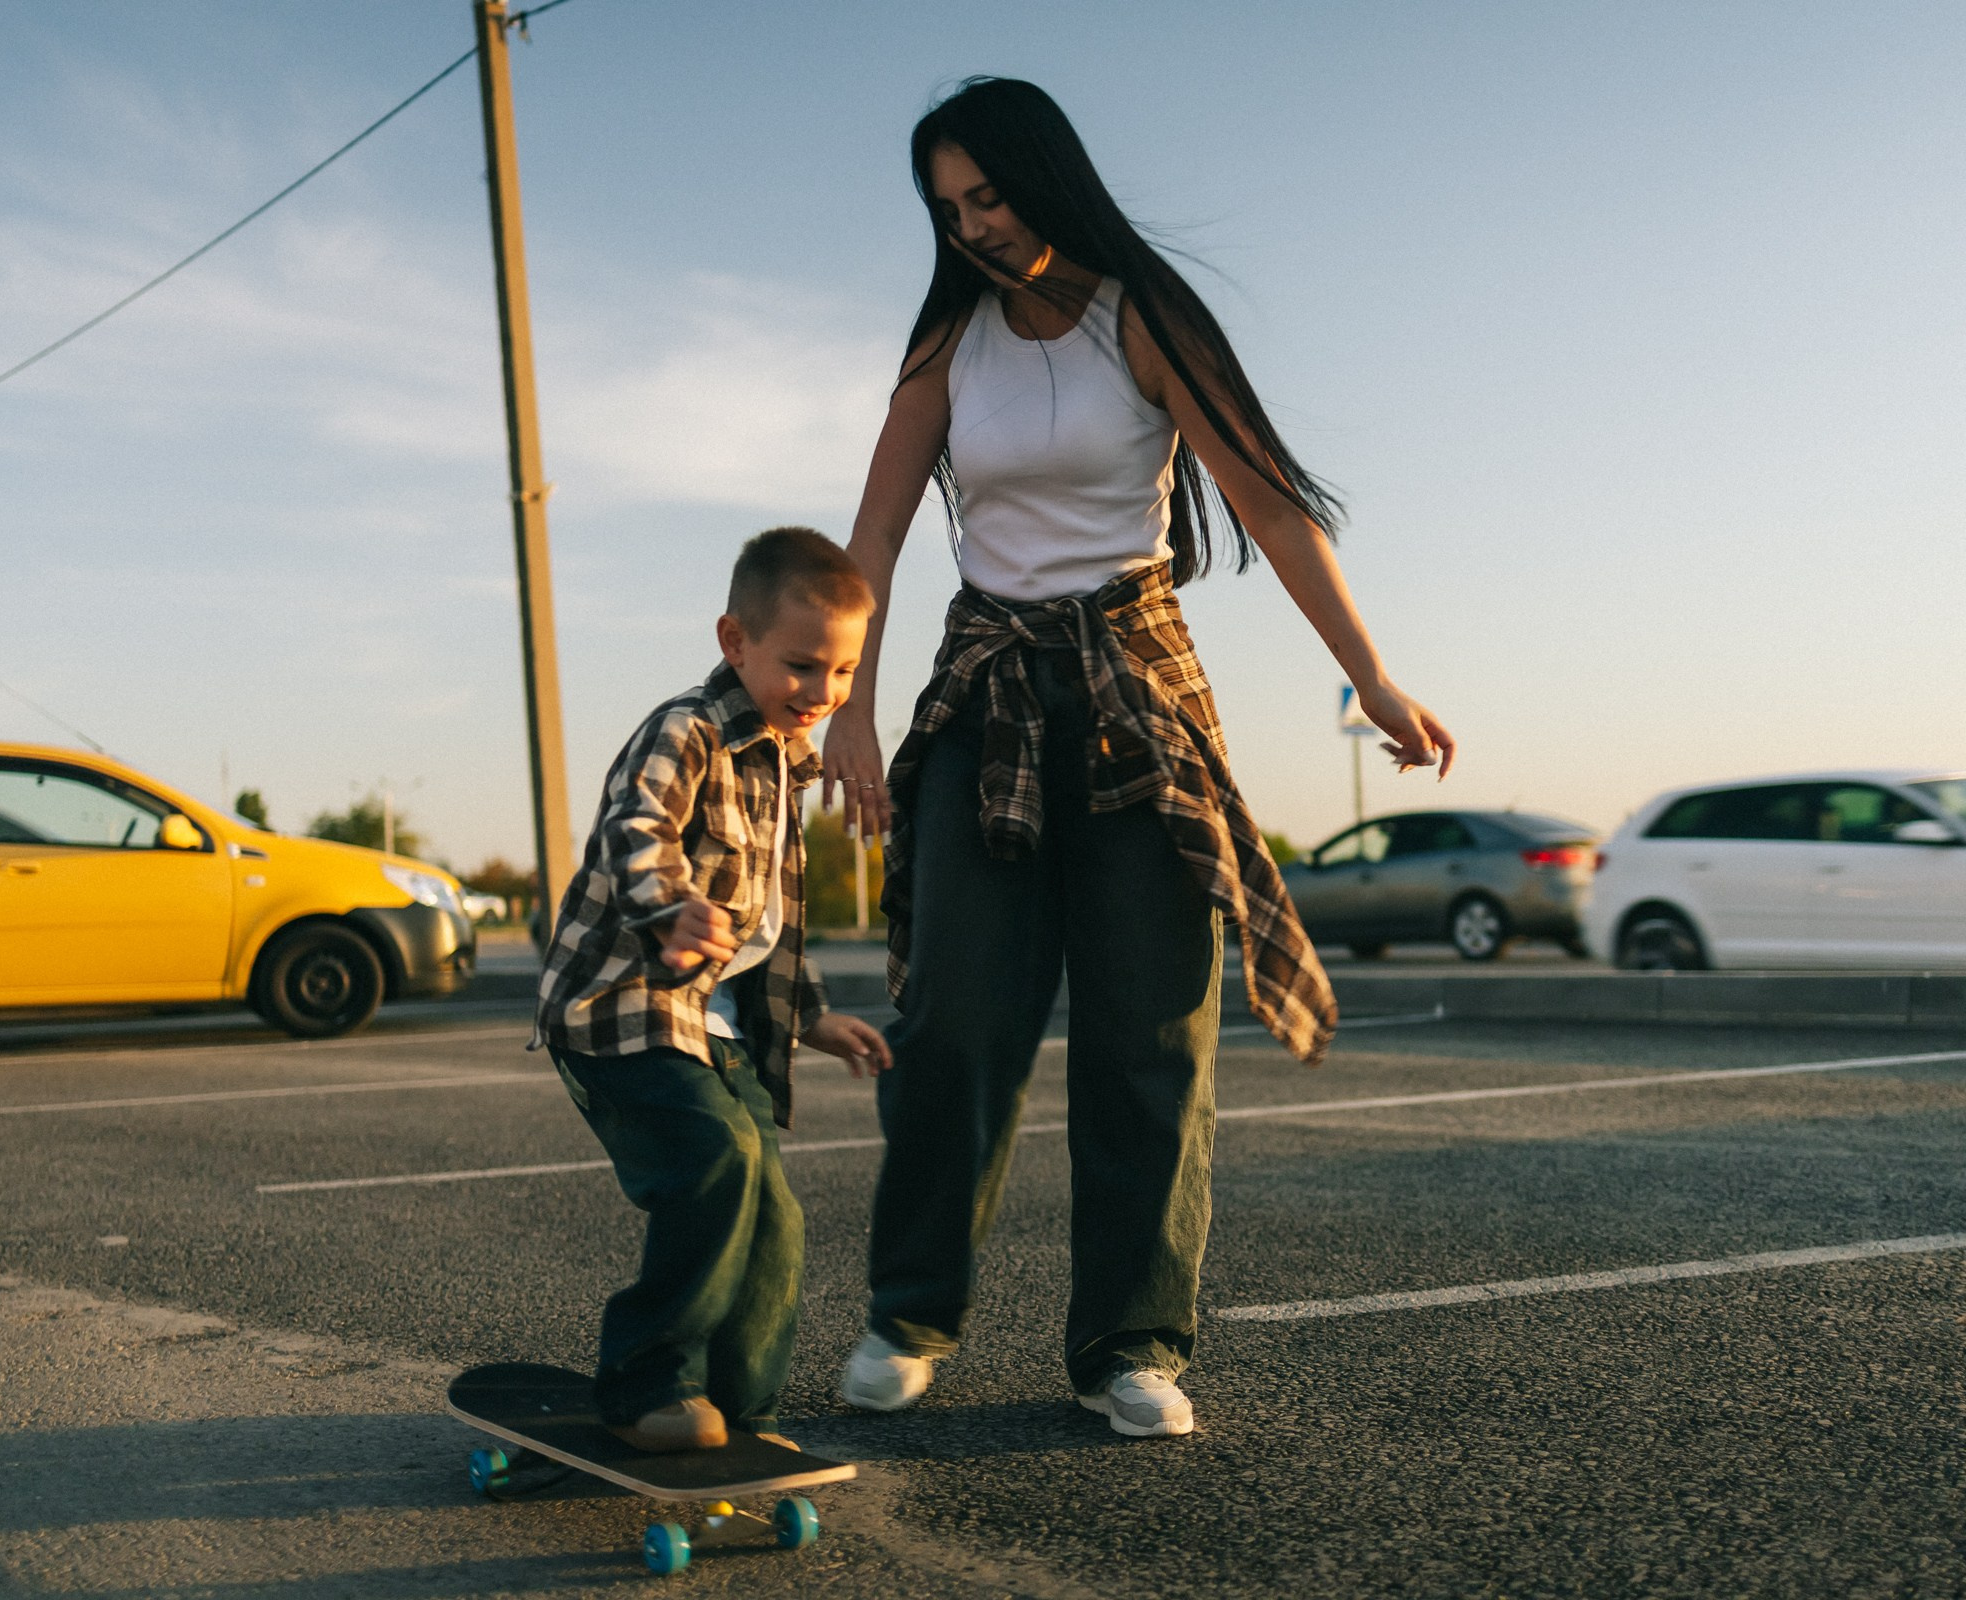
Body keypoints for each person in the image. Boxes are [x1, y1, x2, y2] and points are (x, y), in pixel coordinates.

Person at [821, 77, 1456, 1438]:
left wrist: (1373, 676)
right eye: (949, 208)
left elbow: (1271, 510)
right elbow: (868, 544)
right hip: (986, 693)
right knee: (955, 1024)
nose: (974, 226)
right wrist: (851, 710)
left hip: (1135, 693)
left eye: (989, 194)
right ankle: (910, 1313)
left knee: (1149, 1032)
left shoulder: (1143, 320)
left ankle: (1131, 1347)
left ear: (1047, 177)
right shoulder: (948, 348)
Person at [534, 526, 893, 1452]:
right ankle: (650, 1383)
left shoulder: (782, 758)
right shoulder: (685, 728)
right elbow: (635, 829)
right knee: (716, 1164)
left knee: (775, 1218)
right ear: (736, 641)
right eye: (802, 667)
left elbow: (766, 917)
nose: (822, 695)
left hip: (716, 1024)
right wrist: (666, 910)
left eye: (844, 674)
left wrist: (811, 1017)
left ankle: (737, 1408)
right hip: (622, 1006)